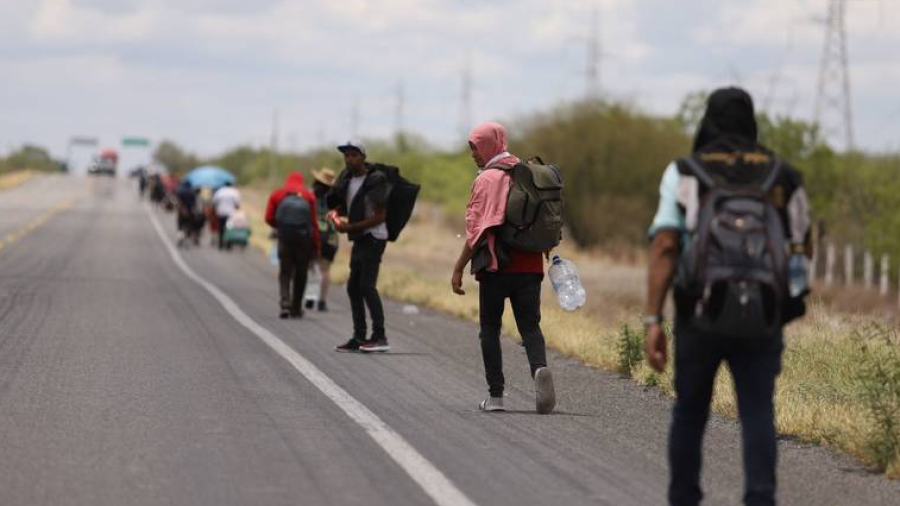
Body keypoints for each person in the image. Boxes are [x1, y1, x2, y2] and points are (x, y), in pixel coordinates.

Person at [644, 87, 811, 506]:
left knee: (690, 411)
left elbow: (665, 244)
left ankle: (684, 498)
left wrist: (652, 320)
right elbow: (801, 247)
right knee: (757, 411)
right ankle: (759, 498)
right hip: (762, 317)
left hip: (699, 314)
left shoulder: (685, 172)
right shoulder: (783, 175)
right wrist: (786, 306)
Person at [450, 121, 556, 414]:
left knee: (489, 329)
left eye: (475, 147)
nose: (473, 154)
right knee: (530, 327)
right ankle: (539, 369)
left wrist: (459, 268)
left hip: (496, 267)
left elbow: (477, 233)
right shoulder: (526, 172)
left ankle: (496, 397)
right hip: (530, 265)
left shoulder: (486, 179)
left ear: (487, 145)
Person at [327, 140, 391, 353]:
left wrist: (349, 228)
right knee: (353, 286)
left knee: (366, 285)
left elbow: (379, 216)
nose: (349, 159)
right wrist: (336, 215)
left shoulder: (375, 179)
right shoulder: (347, 179)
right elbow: (345, 205)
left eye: (354, 154)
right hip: (360, 236)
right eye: (346, 155)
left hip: (374, 236)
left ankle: (380, 336)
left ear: (363, 157)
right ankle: (359, 336)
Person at [265, 172, 321, 319]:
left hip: (285, 237)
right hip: (304, 240)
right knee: (301, 272)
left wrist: (281, 227)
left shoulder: (277, 194)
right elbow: (314, 223)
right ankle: (296, 308)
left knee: (285, 271)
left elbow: (268, 217)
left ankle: (285, 303)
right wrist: (316, 245)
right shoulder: (309, 196)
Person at [307, 167, 339, 312]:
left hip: (314, 234)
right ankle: (322, 302)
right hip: (331, 237)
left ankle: (310, 297)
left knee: (311, 266)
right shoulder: (336, 200)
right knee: (325, 269)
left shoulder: (311, 197)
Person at [212, 182, 242, 250]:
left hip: (221, 213)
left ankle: (220, 244)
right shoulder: (234, 192)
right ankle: (229, 245)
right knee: (230, 229)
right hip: (231, 214)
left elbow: (214, 202)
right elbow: (237, 205)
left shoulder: (219, 191)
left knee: (221, 229)